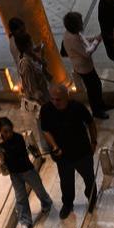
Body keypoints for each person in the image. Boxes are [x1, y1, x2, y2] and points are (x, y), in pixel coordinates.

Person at [0, 116, 51, 228]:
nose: (8, 134)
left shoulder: (18, 138)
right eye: (5, 132)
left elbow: (15, 154)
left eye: (9, 130)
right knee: (20, 197)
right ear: (0, 131)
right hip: (14, 174)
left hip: (27, 170)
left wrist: (3, 144)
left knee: (39, 189)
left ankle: (46, 203)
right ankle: (25, 221)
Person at [39, 84, 98, 218]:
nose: (55, 102)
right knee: (66, 181)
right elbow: (45, 130)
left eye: (58, 99)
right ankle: (67, 204)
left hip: (82, 152)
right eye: (53, 99)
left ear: (67, 97)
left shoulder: (77, 107)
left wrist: (93, 142)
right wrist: (54, 146)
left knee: (89, 178)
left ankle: (92, 198)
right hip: (62, 156)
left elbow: (90, 123)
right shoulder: (46, 109)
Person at [61, 11, 109, 119]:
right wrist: (96, 41)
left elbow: (83, 39)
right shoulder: (72, 38)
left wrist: (94, 38)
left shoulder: (73, 33)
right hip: (83, 68)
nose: (82, 24)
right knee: (93, 90)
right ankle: (97, 111)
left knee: (97, 85)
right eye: (80, 22)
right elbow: (86, 53)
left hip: (87, 66)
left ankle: (101, 105)